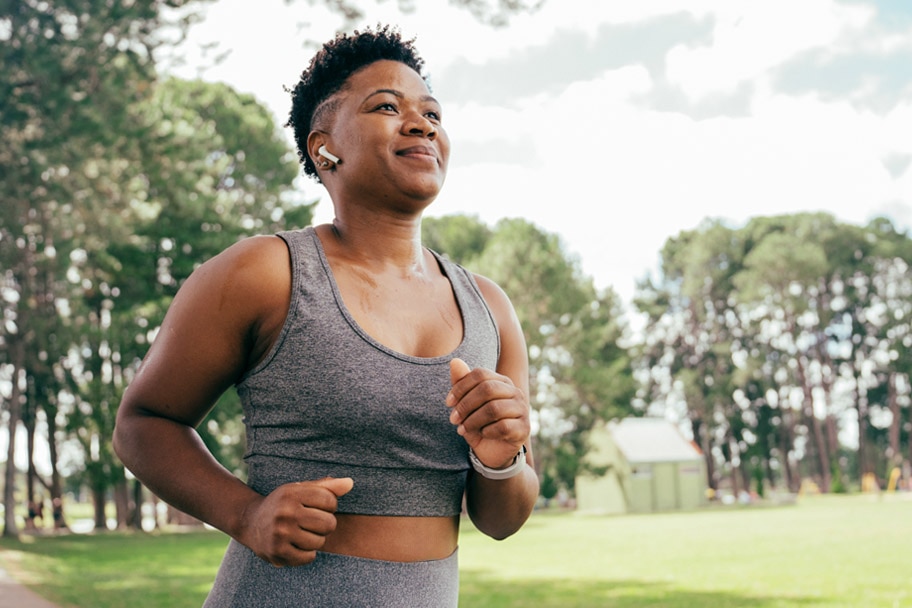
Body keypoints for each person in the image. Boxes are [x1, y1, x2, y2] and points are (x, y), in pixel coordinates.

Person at [113, 25, 538, 607]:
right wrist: (247, 515)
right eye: (387, 107)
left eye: (432, 113)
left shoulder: (489, 308)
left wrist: (501, 457)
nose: (421, 124)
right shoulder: (265, 274)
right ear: (324, 148)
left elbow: (501, 519)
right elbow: (143, 422)